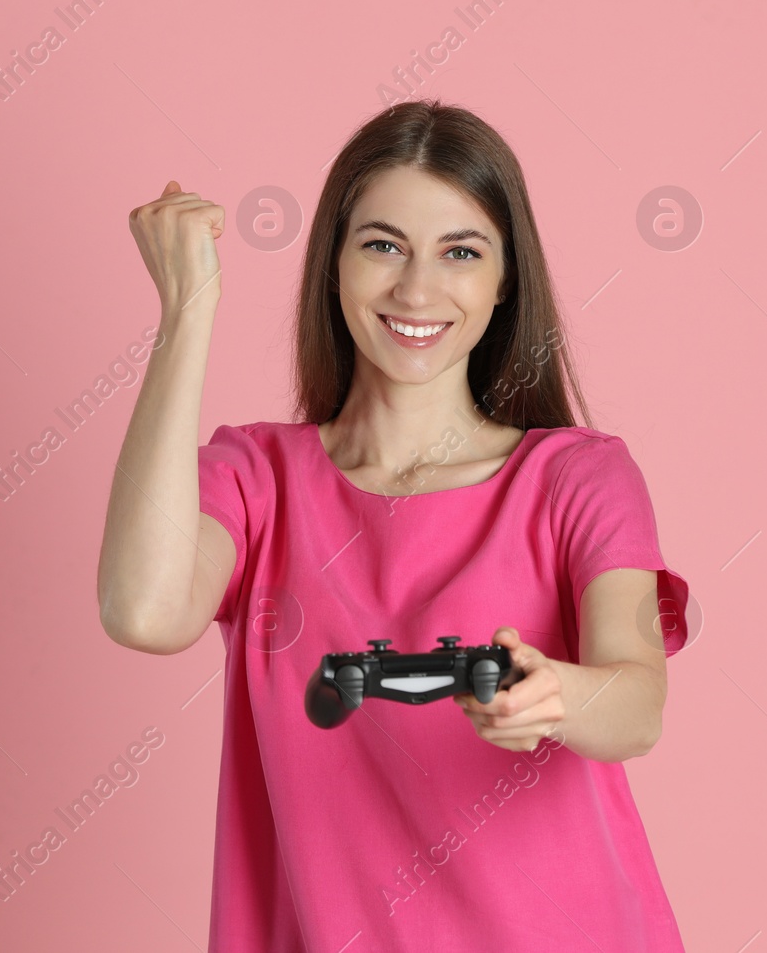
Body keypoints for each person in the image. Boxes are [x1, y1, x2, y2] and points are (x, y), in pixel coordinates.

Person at [96, 99, 691, 951]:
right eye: (382, 244)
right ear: (333, 264)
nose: (417, 289)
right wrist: (187, 310)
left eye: (461, 252)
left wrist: (553, 694)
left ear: (503, 281)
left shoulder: (579, 477)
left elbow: (639, 703)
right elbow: (143, 611)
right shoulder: (258, 478)